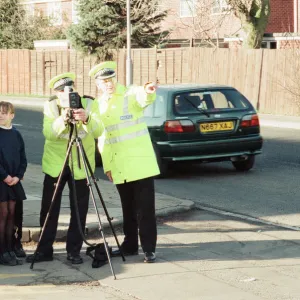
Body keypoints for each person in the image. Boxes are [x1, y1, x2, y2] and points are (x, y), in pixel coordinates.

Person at [26, 73, 102, 265]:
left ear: (74, 88)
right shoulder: (51, 105)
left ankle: (74, 250)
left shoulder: (90, 103)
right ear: (56, 93)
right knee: (49, 208)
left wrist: (86, 119)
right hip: (56, 165)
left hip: (80, 164)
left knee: (80, 209)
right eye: (61, 91)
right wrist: (63, 119)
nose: (65, 94)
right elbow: (48, 134)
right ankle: (44, 250)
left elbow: (99, 131)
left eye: (69, 89)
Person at [89, 61, 160, 263]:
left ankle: (149, 249)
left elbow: (143, 97)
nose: (109, 84)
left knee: (145, 209)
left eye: (110, 79)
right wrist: (108, 165)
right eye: (104, 81)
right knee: (127, 209)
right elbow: (103, 139)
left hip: (140, 164)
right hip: (119, 165)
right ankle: (130, 246)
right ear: (98, 84)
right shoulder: (98, 104)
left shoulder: (129, 94)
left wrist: (148, 91)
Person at [0, 101, 27, 266]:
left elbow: (23, 157)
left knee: (12, 215)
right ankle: (2, 251)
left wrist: (18, 176)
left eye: (4, 112)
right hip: (2, 181)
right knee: (2, 216)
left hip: (13, 181)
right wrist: (5, 176)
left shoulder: (16, 134)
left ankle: (10, 249)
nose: (1, 115)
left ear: (12, 115)